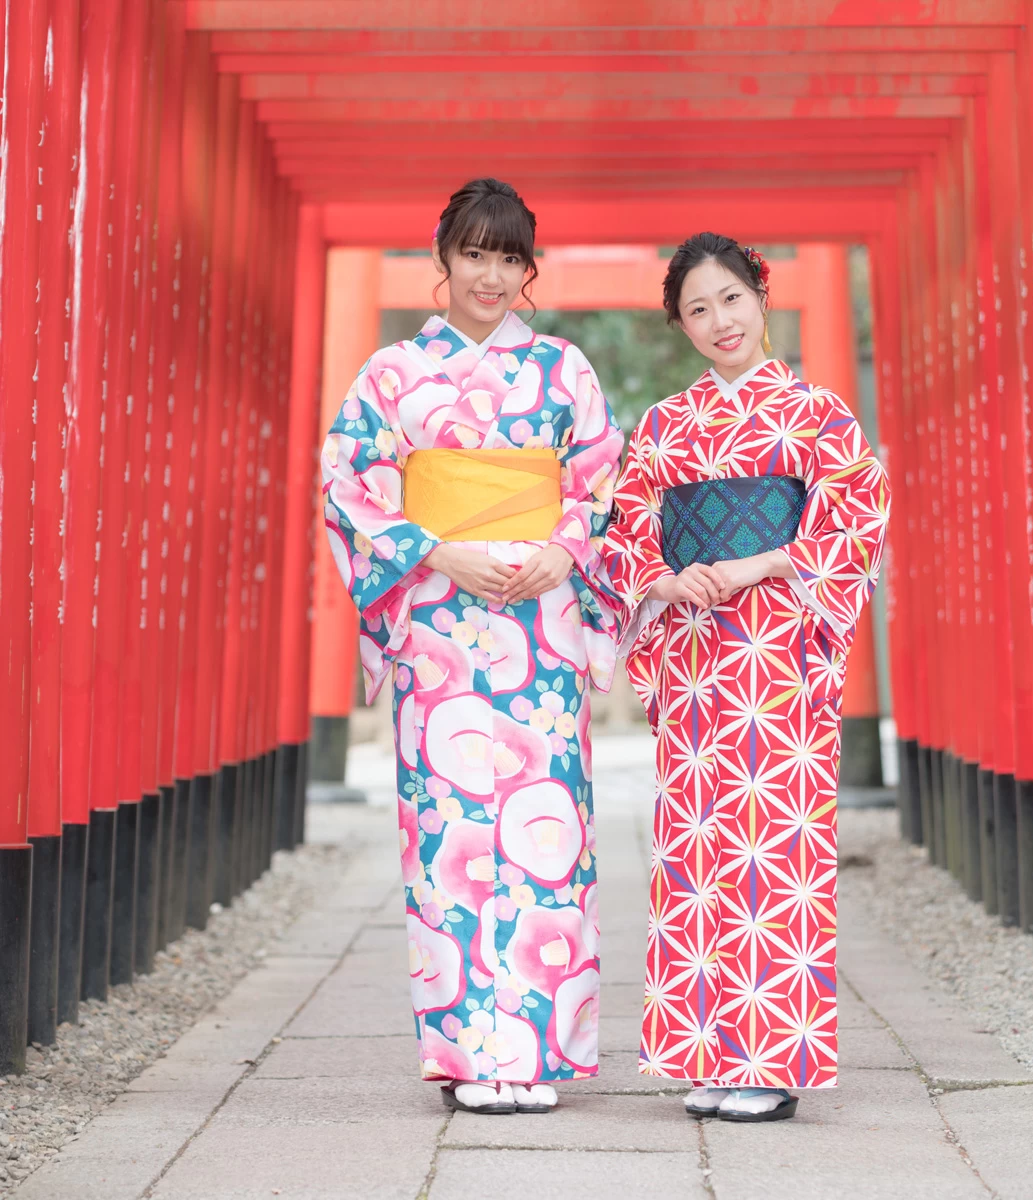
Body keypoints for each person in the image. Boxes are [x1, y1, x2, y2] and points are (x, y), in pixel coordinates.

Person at [321, 178, 623, 1114]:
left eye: (509, 258)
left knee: (548, 834)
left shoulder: (565, 370)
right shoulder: (391, 376)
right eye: (475, 254)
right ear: (442, 262)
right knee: (446, 840)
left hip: (538, 624)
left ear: (528, 270)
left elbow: (606, 483)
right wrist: (435, 548)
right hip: (440, 628)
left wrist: (563, 550)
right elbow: (348, 486)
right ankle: (464, 1056)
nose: (490, 275)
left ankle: (534, 1055)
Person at [602, 232, 890, 1122]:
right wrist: (658, 576)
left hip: (778, 651)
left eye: (731, 298)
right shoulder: (661, 426)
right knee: (693, 844)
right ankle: (705, 1051)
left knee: (774, 844)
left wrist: (765, 562)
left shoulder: (820, 414)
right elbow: (622, 534)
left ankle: (769, 1060)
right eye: (697, 309)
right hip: (692, 652)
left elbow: (856, 515)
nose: (718, 320)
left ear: (761, 296)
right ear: (679, 325)